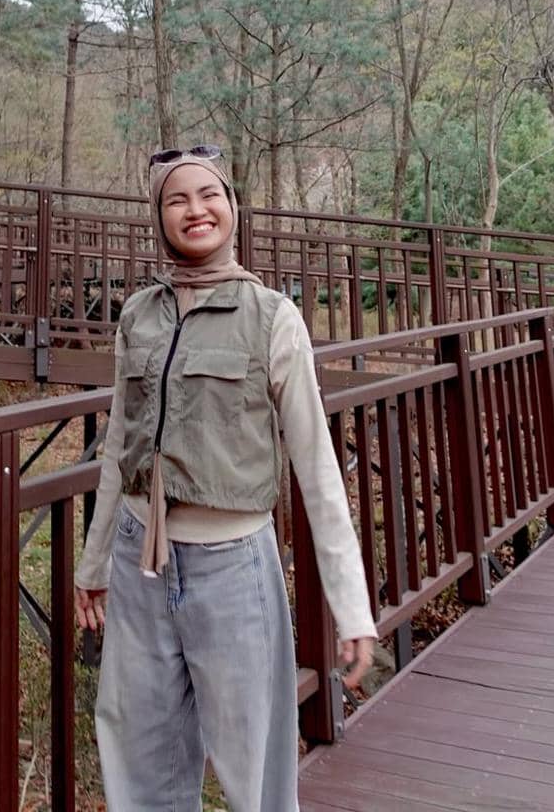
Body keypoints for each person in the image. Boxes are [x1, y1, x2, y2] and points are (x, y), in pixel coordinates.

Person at [75, 145, 376, 812]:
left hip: (233, 567)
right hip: (138, 561)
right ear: (158, 216)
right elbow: (119, 447)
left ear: (232, 207)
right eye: (176, 199)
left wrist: (351, 606)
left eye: (209, 194)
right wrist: (93, 564)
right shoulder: (138, 314)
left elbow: (317, 467)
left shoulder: (271, 317)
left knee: (254, 770)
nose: (196, 209)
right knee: (139, 763)